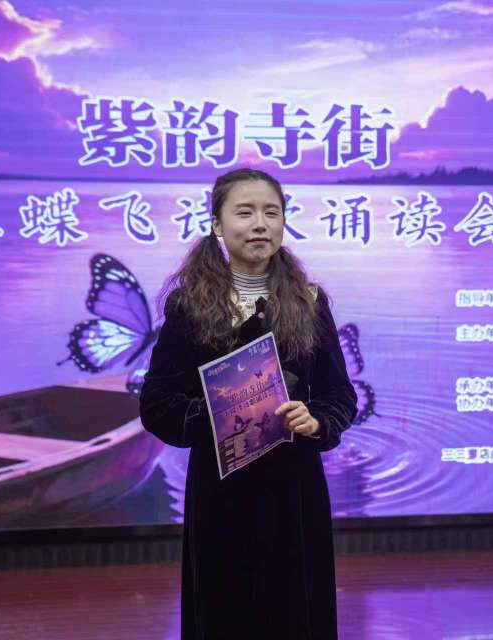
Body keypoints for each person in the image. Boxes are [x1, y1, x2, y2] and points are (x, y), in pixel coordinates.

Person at [139, 168, 358, 640]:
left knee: (295, 615)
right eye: (245, 212)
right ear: (217, 224)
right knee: (224, 614)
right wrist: (221, 415)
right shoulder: (189, 306)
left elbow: (340, 395)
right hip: (219, 492)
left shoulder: (309, 301)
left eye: (271, 213)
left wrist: (317, 419)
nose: (260, 223)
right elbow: (157, 404)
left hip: (294, 490)